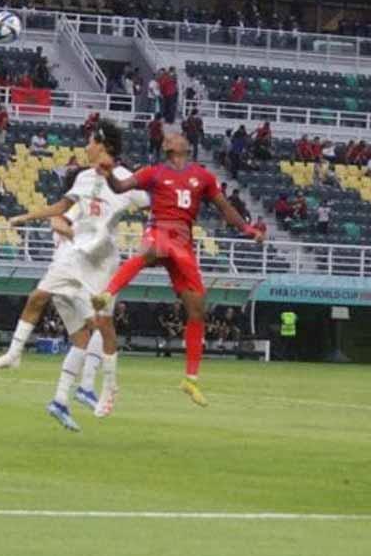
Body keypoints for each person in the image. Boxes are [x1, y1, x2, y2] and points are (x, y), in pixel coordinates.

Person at [0, 122, 149, 425]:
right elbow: (61, 209)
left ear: (102, 144)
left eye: (89, 142)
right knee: (38, 296)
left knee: (100, 327)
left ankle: (98, 387)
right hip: (72, 258)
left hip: (101, 262)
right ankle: (15, 354)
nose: (85, 147)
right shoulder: (84, 177)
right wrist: (26, 216)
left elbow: (153, 204)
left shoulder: (127, 181)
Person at [91, 132, 262, 407]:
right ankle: (108, 293)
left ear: (185, 145)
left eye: (176, 136)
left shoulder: (203, 176)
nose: (171, 138)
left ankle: (190, 380)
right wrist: (109, 174)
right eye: (168, 137)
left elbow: (224, 207)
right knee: (151, 251)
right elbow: (121, 187)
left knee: (197, 309)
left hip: (184, 240)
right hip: (160, 228)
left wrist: (247, 229)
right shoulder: (154, 172)